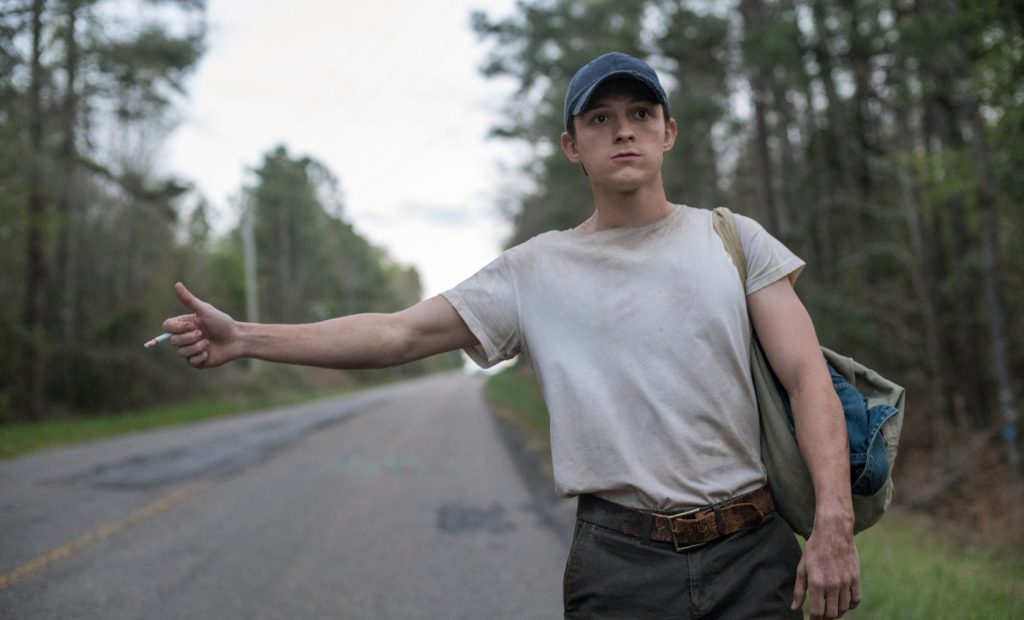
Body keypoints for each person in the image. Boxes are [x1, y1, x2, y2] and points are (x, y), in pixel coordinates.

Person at [163, 51, 860, 619]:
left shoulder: (734, 239)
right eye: (601, 118)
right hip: (622, 567)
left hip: (753, 552)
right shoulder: (535, 271)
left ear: (667, 132)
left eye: (641, 114)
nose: (624, 131)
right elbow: (397, 333)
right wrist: (248, 338)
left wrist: (832, 523)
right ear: (572, 146)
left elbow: (807, 380)